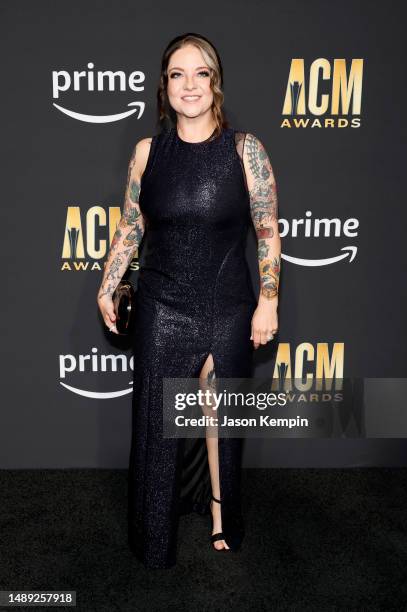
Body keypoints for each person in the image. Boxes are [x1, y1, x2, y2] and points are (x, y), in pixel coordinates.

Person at [97, 32, 281, 570]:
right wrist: (108, 284)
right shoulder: (146, 154)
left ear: (214, 82)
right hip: (161, 304)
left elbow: (267, 232)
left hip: (229, 302)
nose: (189, 85)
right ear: (165, 87)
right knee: (156, 422)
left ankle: (223, 511)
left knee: (221, 415)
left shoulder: (245, 150)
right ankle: (154, 534)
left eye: (200, 73)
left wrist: (268, 299)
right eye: (178, 74)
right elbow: (131, 227)